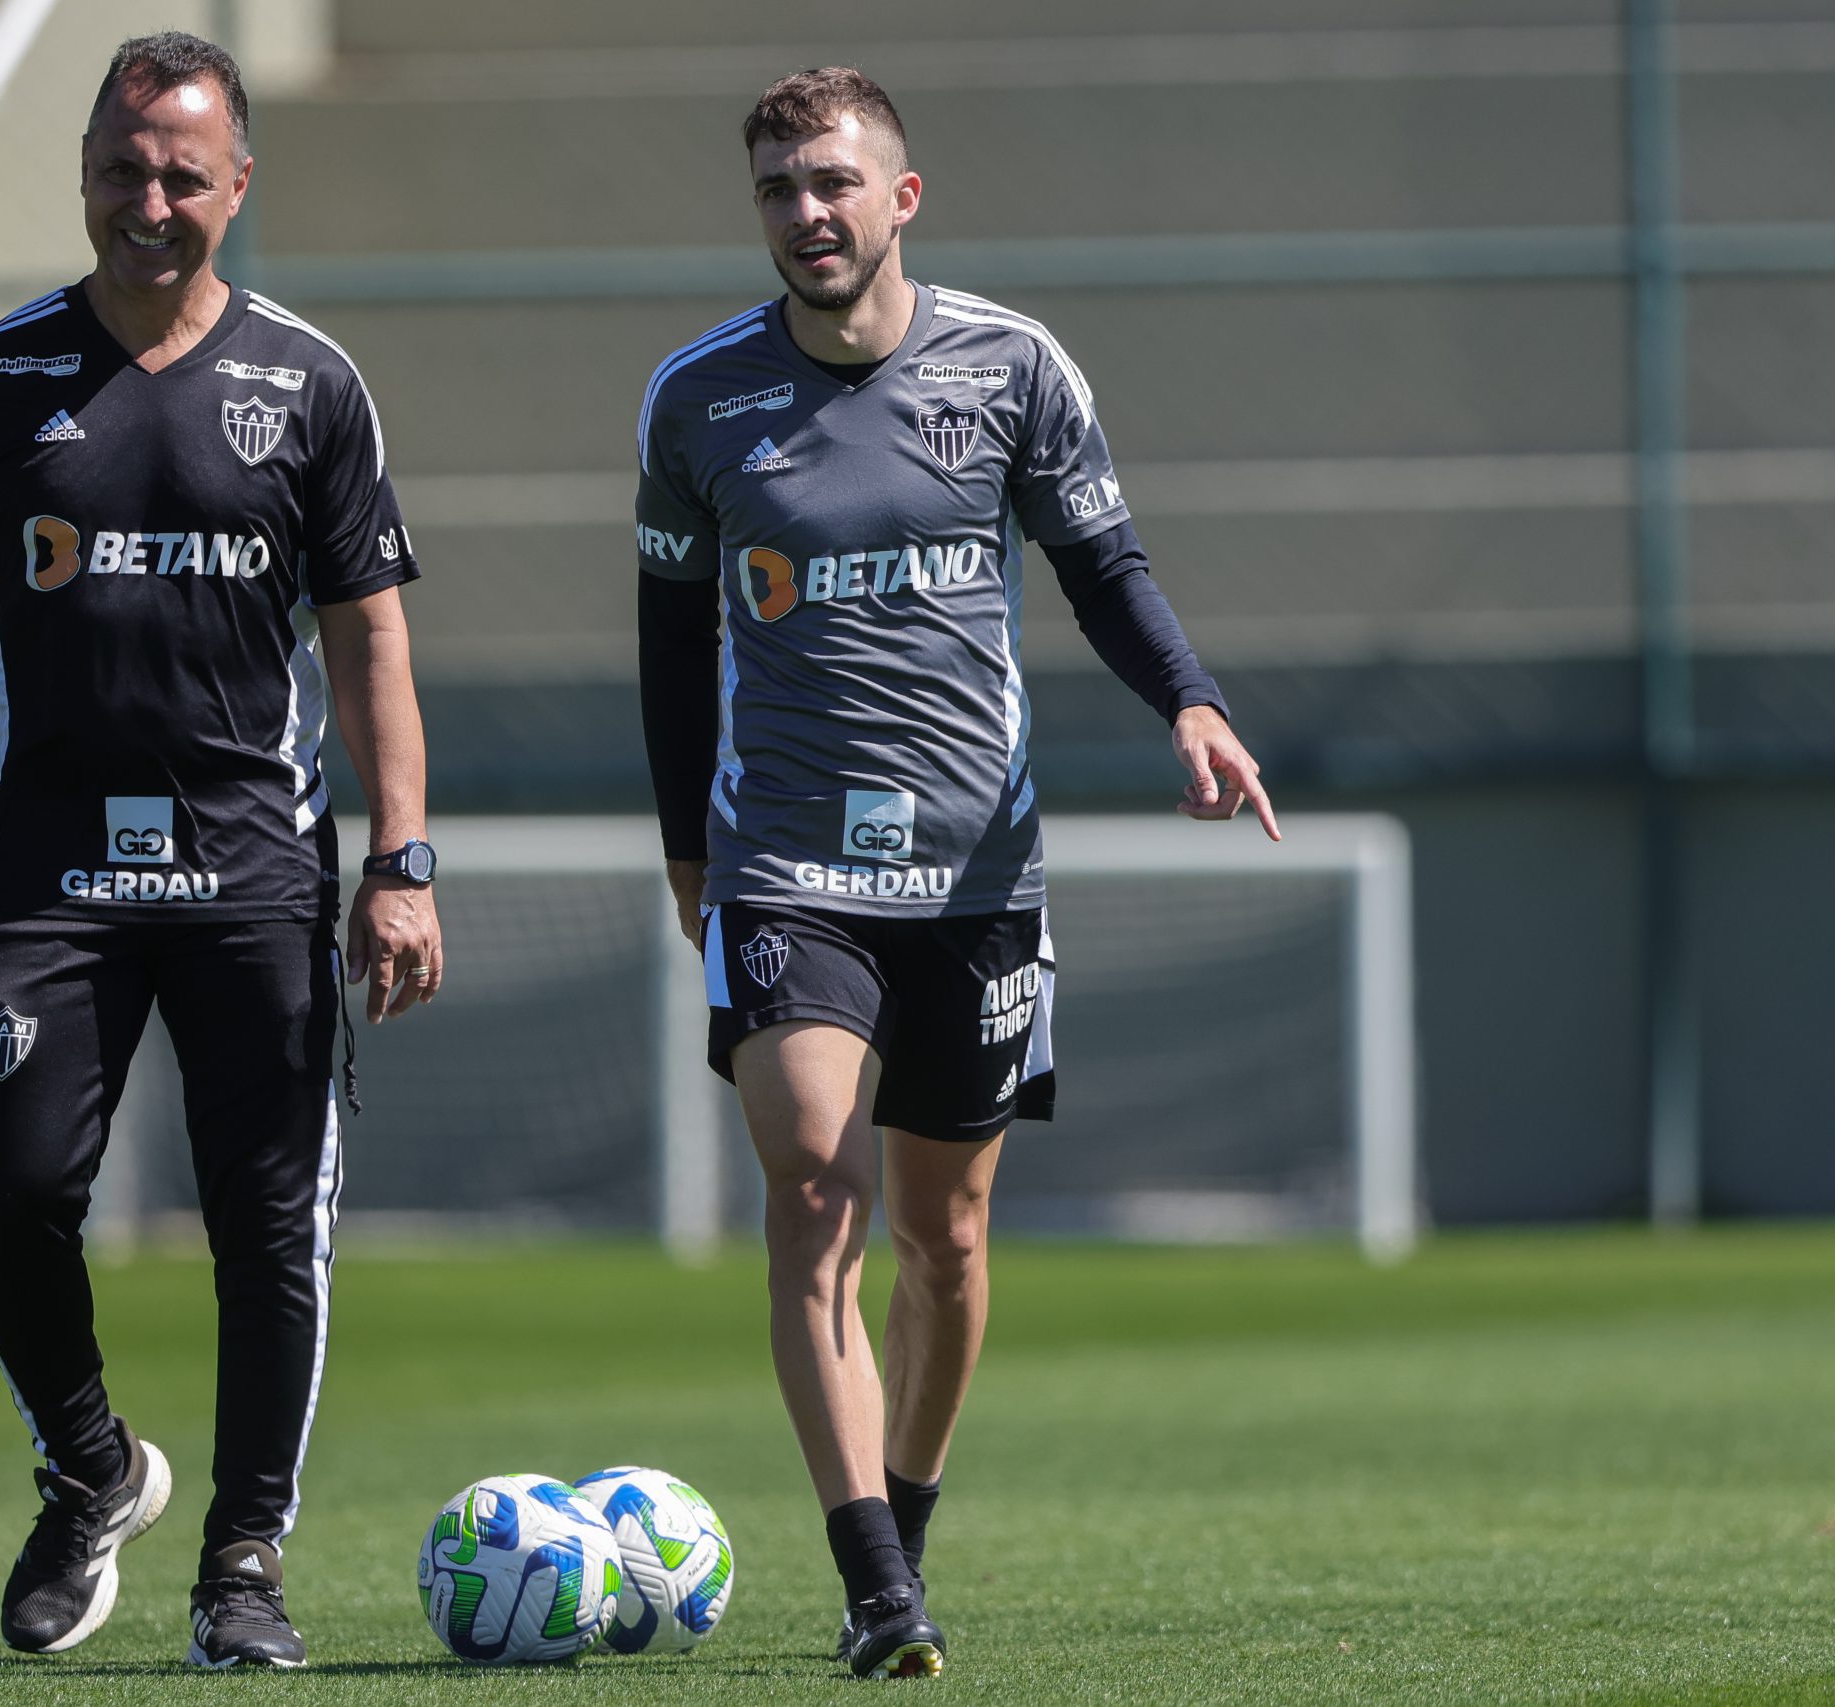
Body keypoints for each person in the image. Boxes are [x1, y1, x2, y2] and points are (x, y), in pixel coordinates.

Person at [634, 66, 1277, 1681]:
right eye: (780, 188)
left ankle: (898, 1532)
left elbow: (1103, 567)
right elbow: (663, 647)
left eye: (835, 182)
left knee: (950, 1242)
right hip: (786, 864)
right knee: (807, 1189)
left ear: (900, 196)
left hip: (975, 870)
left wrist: (1191, 702)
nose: (808, 213)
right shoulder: (696, 400)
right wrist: (687, 850)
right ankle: (871, 1582)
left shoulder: (1011, 367)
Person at [0, 32, 441, 1671]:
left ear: (238, 183)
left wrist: (403, 860)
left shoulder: (309, 385)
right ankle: (92, 1473)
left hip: (259, 877)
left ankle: (244, 1563)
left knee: (269, 1228)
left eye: (182, 171)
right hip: (45, 877)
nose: (148, 198)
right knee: (10, 1194)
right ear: (82, 170)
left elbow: (371, 641)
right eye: (121, 166)